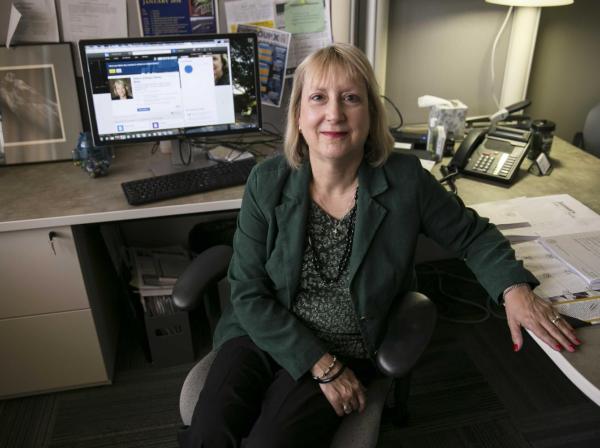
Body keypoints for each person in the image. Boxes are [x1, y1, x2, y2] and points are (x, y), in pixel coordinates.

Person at [179, 43, 580, 448]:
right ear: (299, 115)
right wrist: (318, 365)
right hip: (261, 333)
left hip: (346, 345)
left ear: (370, 115)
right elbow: (247, 292)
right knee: (208, 433)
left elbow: (472, 235)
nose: (334, 113)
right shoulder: (267, 181)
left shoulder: (406, 181)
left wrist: (514, 290)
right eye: (318, 98)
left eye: (350, 98)